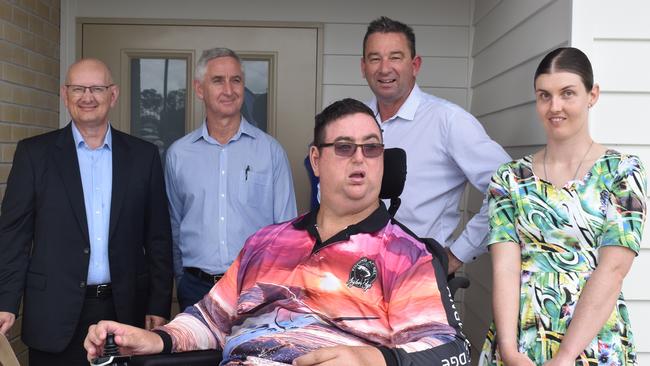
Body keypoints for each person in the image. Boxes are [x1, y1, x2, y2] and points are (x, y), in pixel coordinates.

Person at [85, 98, 471, 366]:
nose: (359, 158)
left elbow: (452, 352)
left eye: (372, 149)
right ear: (316, 160)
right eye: (344, 147)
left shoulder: (405, 254)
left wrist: (379, 358)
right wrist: (156, 339)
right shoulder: (265, 242)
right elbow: (211, 319)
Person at [479, 47, 646, 365]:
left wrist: (567, 356)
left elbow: (613, 270)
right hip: (521, 336)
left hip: (592, 339)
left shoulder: (623, 172)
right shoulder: (509, 178)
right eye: (545, 95)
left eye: (567, 93)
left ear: (592, 95)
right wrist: (509, 349)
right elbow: (505, 268)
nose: (555, 107)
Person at [0, 59, 173, 365]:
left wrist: (158, 304)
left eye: (96, 88)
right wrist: (5, 302)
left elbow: (158, 237)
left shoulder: (143, 156)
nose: (87, 97)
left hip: (124, 312)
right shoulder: (34, 154)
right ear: (65, 95)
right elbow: (14, 236)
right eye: (78, 88)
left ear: (114, 94)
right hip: (53, 312)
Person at [361, 16, 511, 273]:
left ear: (415, 65)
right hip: (356, 273)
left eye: (395, 57)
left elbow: (510, 188)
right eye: (375, 58)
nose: (384, 68)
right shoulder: (355, 121)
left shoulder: (448, 121)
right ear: (363, 67)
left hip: (419, 275)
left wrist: (456, 254)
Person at [164, 48, 297, 311]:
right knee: (196, 353)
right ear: (199, 89)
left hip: (256, 288)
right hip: (196, 289)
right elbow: (173, 227)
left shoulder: (270, 152)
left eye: (235, 80)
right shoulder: (179, 154)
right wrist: (182, 281)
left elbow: (287, 233)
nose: (229, 89)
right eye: (218, 80)